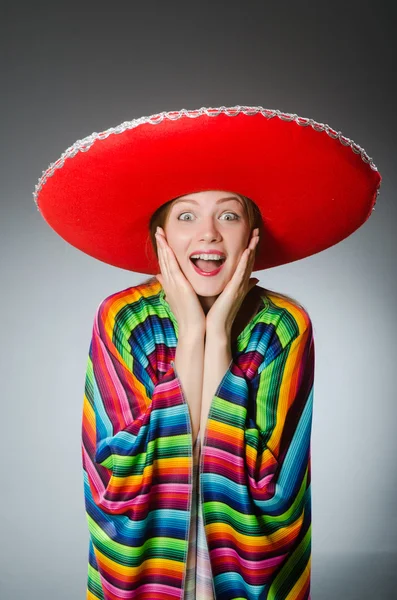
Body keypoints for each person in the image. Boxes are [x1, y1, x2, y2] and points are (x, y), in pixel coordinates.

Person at [33, 105, 381, 599]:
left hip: (244, 570)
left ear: (251, 237)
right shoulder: (125, 319)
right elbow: (115, 473)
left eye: (229, 214)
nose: (209, 233)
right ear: (162, 237)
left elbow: (270, 485)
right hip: (147, 566)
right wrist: (191, 330)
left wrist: (215, 334)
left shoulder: (282, 325)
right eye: (187, 215)